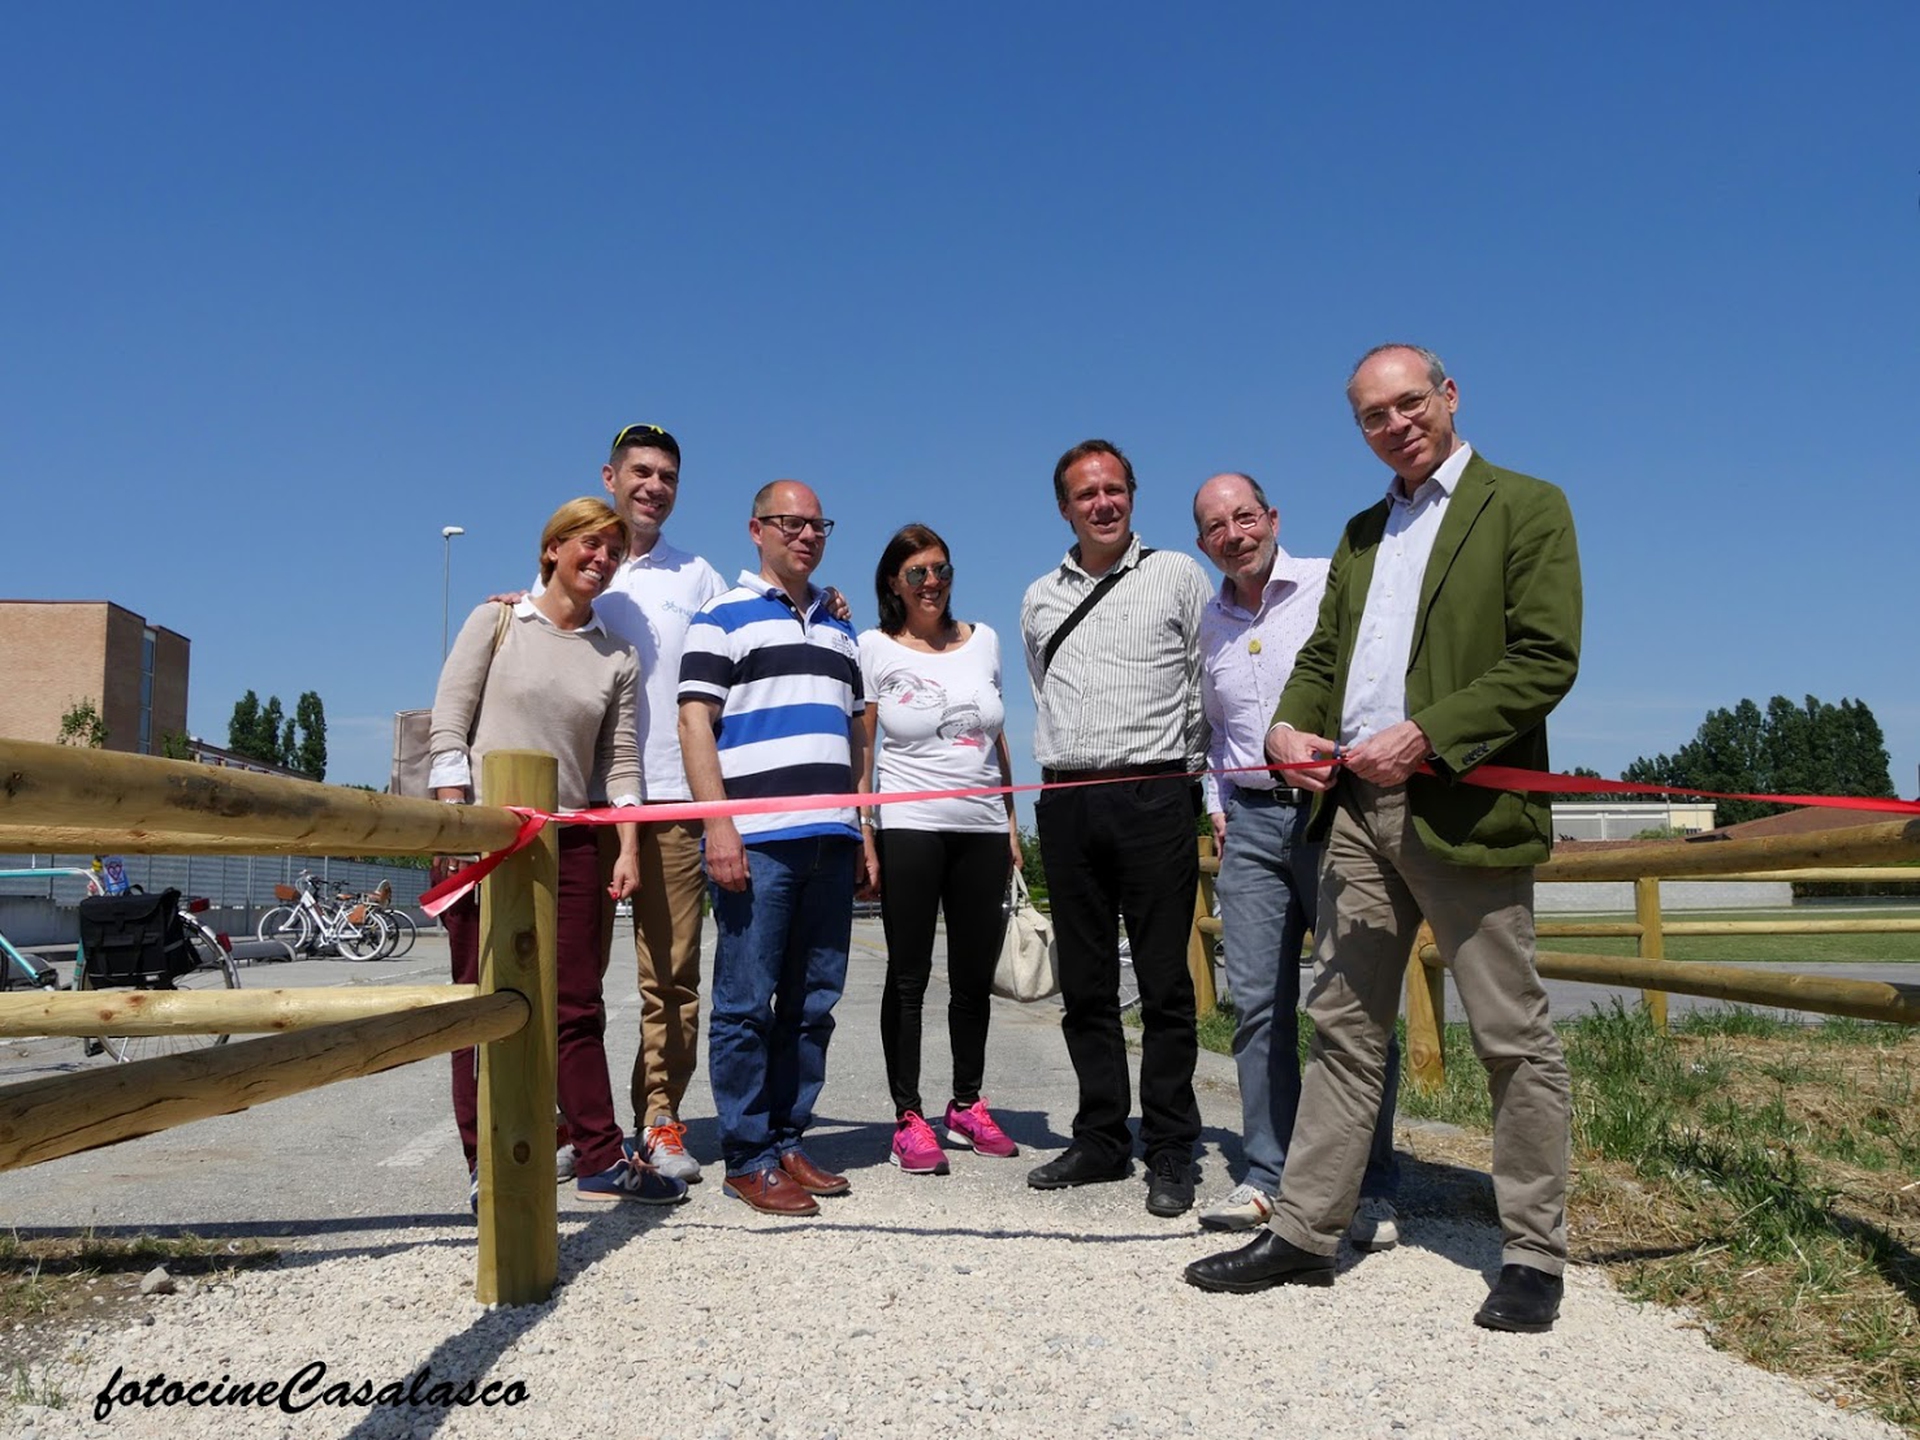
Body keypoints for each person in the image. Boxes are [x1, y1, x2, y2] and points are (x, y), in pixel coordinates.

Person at [1184, 345, 1582, 1335]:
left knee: (1509, 1033)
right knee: (1345, 1028)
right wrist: (1286, 730)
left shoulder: (1527, 506)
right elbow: (1324, 657)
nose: (1396, 424)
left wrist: (1430, 734)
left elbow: (1545, 657)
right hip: (1354, 814)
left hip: (1461, 806)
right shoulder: (1363, 533)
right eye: (1373, 415)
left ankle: (1533, 1253)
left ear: (1450, 396)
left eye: (1410, 403)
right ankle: (1306, 1232)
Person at [430, 497, 688, 1210]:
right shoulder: (496, 622)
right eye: (588, 544)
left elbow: (621, 763)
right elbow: (449, 726)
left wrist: (626, 848)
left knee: (576, 1005)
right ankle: (487, 1163)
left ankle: (601, 1155)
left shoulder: (617, 656)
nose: (601, 559)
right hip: (485, 836)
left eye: (613, 551)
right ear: (552, 548)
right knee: (478, 1004)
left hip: (569, 840)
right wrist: (452, 825)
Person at [1191, 472, 1403, 1241]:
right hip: (1250, 823)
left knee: (1354, 1003)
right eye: (1216, 527)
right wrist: (1218, 807)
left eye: (1245, 517)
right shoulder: (1209, 622)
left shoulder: (1327, 584)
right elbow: (1215, 732)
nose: (1234, 535)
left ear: (1273, 517)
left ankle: (1366, 1184)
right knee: (1256, 1006)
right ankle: (1268, 1176)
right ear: (1203, 542)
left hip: (1335, 813)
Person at [1018, 438, 1214, 1217]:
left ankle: (1170, 1146)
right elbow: (1046, 688)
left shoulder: (1177, 575)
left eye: (1114, 489)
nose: (1102, 503)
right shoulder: (1039, 596)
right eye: (1085, 493)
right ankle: (1101, 1137)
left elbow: (1203, 681)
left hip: (1154, 792)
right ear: (1063, 508)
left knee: (1165, 982)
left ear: (1131, 494)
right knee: (1087, 985)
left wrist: (1183, 776)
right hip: (1068, 798)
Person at [678, 480, 872, 1217]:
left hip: (831, 838)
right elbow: (695, 725)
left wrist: (862, 828)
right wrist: (718, 826)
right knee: (743, 1005)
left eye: (817, 524)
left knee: (813, 1003)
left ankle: (790, 1138)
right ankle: (747, 1155)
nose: (806, 535)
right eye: (790, 523)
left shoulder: (841, 630)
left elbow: (857, 736)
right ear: (756, 529)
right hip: (757, 842)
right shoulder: (720, 617)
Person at [858, 524, 1023, 1176]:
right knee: (909, 976)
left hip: (981, 827)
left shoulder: (985, 641)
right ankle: (908, 1116)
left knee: (973, 977)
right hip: (909, 824)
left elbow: (997, 735)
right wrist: (865, 833)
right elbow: (865, 750)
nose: (932, 583)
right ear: (894, 583)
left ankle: (967, 1103)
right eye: (917, 573)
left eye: (941, 570)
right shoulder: (873, 647)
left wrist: (1011, 822)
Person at [589, 423, 726, 1185]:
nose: (654, 486)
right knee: (568, 977)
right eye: (641, 472)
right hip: (582, 799)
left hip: (670, 798)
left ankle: (660, 1118)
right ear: (610, 477)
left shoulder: (698, 577)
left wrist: (827, 601)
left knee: (671, 977)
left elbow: (749, 631)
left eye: (667, 476)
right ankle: (574, 1123)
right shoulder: (585, 560)